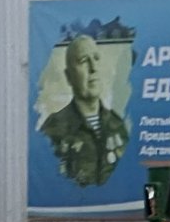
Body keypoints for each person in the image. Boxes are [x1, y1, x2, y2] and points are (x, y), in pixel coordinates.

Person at [40, 34, 130, 187]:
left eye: (96, 58)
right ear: (69, 76)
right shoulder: (53, 130)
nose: (93, 68)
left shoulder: (118, 126)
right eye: (83, 61)